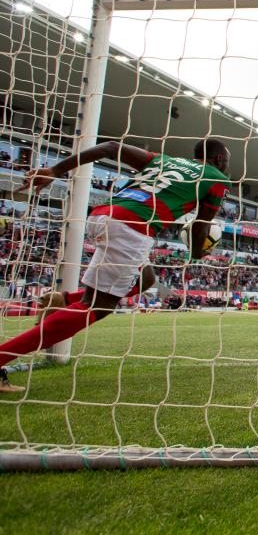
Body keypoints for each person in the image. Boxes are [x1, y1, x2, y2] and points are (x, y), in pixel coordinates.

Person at [0, 139, 231, 392]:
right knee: (96, 307)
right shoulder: (217, 177)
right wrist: (198, 253)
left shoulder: (164, 159)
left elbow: (110, 147)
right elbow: (201, 224)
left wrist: (56, 170)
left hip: (103, 214)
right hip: (132, 226)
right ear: (219, 160)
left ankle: (63, 299)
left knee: (147, 278)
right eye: (226, 161)